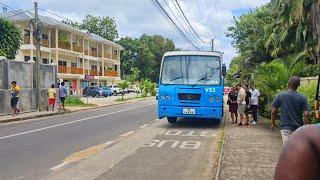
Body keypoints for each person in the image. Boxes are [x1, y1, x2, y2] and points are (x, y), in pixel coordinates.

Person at [271, 76, 310, 145]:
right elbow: (306, 114)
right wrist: (307, 129)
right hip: (298, 129)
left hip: (285, 128)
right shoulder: (302, 97)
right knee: (297, 149)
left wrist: (273, 124)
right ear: (298, 85)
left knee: (287, 150)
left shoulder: (281, 95)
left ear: (288, 83)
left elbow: (273, 112)